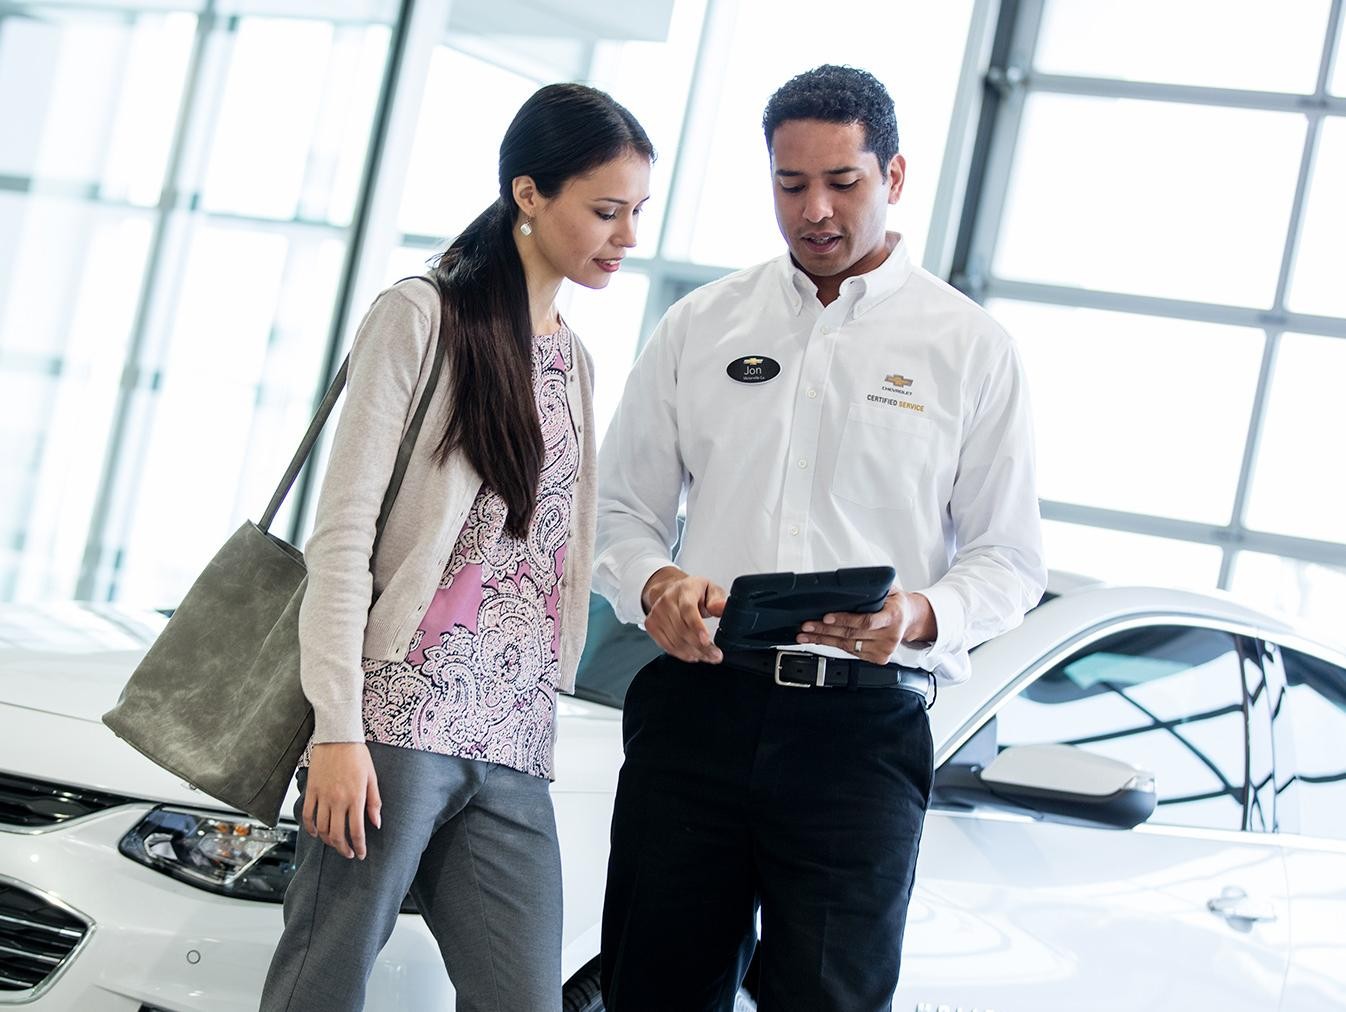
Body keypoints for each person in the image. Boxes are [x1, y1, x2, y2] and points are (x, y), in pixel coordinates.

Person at [593, 64, 1045, 1011]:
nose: (817, 211)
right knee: (650, 990)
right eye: (791, 185)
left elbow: (1009, 560)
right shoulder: (699, 325)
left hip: (859, 735)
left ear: (896, 175)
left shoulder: (970, 349)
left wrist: (922, 614)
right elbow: (617, 511)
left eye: (845, 182)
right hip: (698, 709)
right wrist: (652, 583)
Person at [259, 83, 652, 1012]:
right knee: (324, 980)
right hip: (396, 721)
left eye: (637, 212)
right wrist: (337, 728)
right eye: (605, 211)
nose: (626, 237)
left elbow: (553, 553)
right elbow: (345, 534)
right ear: (528, 194)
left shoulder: (575, 360)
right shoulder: (421, 316)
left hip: (514, 735)